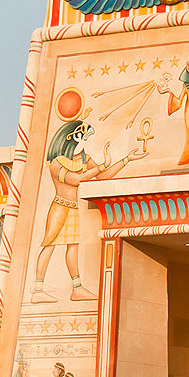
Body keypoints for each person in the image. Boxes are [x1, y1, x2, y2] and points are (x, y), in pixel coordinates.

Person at [31, 119, 147, 303]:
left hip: (73, 209)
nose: (86, 140)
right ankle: (38, 289)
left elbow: (104, 176)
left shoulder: (83, 158)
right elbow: (75, 179)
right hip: (59, 207)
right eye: (83, 136)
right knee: (50, 243)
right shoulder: (55, 163)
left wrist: (126, 160)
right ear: (72, 137)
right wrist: (102, 165)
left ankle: (76, 288)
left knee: (73, 246)